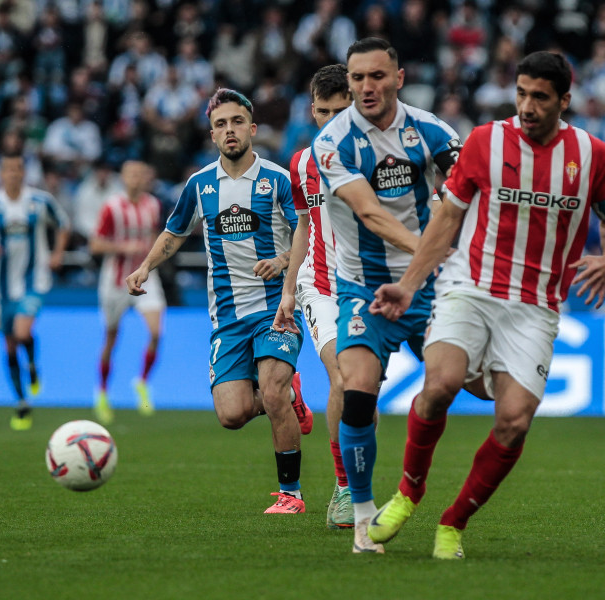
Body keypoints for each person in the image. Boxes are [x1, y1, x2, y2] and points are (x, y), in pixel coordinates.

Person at [366, 51, 605, 559]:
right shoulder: (487, 142)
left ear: (564, 101)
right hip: (471, 285)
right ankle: (408, 492)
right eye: (522, 93)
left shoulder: (592, 155)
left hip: (536, 306)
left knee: (514, 421)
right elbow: (445, 220)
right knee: (438, 385)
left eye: (541, 97)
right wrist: (411, 283)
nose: (528, 106)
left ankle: (454, 522)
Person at [126, 88, 314, 514]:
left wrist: (283, 259)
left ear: (251, 128)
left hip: (275, 306)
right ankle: (288, 398)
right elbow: (174, 232)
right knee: (231, 415)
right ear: (212, 135)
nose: (229, 131)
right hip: (227, 316)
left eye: (235, 122)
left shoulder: (278, 179)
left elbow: (309, 235)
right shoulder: (199, 184)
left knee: (271, 388)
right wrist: (145, 267)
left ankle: (291, 494)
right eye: (220, 125)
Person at [311, 37, 463, 553]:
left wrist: (443, 245)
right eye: (357, 78)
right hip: (365, 289)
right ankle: (362, 516)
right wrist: (430, 249)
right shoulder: (332, 143)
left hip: (430, 289)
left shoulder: (433, 131)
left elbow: (469, 193)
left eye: (377, 76)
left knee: (476, 389)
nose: (366, 87)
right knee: (357, 391)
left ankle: (416, 490)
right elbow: (370, 214)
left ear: (399, 77)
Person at [273, 64, 353, 529]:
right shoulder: (301, 163)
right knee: (343, 376)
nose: (330, 120)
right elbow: (304, 224)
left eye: (339, 110)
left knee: (361, 390)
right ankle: (346, 490)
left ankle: (353, 484)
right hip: (319, 284)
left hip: (368, 288)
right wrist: (288, 289)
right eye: (322, 111)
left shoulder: (374, 157)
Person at [0, 152, 71, 430]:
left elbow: (63, 224)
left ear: (23, 172)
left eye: (17, 169)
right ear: (0, 174)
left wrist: (58, 253)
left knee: (23, 332)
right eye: (8, 169)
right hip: (1, 286)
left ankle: (33, 365)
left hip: (34, 279)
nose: (13, 173)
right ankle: (22, 401)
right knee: (10, 344)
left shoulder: (39, 201)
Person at [89, 160, 166, 424]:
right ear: (123, 177)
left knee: (156, 332)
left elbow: (156, 236)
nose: (136, 178)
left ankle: (142, 382)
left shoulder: (153, 205)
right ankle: (102, 392)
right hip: (116, 280)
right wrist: (124, 248)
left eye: (140, 174)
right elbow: (95, 244)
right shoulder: (112, 206)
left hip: (146, 276)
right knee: (111, 338)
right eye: (131, 173)